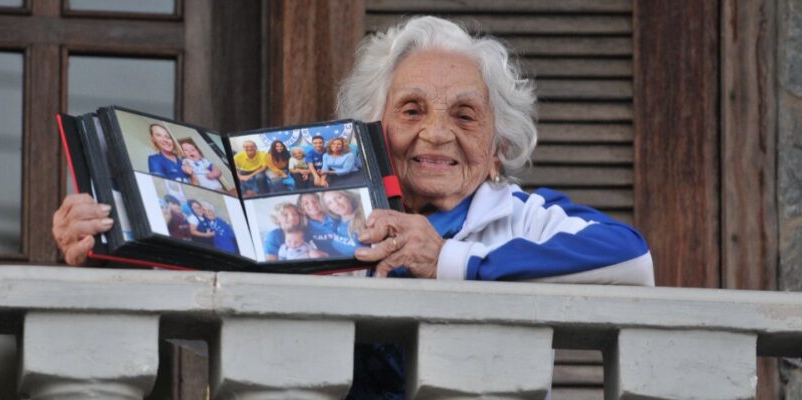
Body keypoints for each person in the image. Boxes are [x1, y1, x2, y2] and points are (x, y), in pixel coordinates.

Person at [52, 15, 654, 397]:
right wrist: (104, 248)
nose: (437, 135)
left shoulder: (521, 216)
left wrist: (452, 261)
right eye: (412, 110)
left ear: (497, 151)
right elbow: (197, 280)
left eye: (464, 115)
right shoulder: (309, 212)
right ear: (371, 134)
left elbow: (632, 262)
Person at [321, 190, 366, 257]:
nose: (336, 204)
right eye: (329, 203)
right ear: (328, 208)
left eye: (339, 197)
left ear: (348, 197)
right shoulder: (335, 222)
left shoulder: (363, 220)